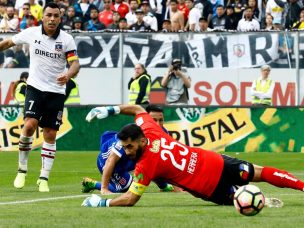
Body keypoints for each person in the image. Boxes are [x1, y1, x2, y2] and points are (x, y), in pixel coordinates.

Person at [82, 104, 304, 208]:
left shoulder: (144, 166)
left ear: (141, 141)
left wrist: (102, 204)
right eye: (125, 148)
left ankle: (275, 196)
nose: (127, 152)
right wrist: (111, 109)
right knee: (259, 174)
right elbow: (139, 110)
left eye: (129, 147)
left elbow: (130, 199)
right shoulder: (151, 130)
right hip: (212, 172)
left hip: (211, 179)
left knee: (254, 181)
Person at [0, 2, 80, 192]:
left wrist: (68, 75)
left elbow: (75, 64)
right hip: (35, 87)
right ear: (42, 17)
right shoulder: (32, 33)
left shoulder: (67, 39)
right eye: (49, 15)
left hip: (56, 91)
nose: (52, 19)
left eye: (56, 16)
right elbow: (8, 43)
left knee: (50, 134)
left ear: (60, 19)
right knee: (29, 125)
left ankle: (43, 178)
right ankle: (22, 170)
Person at [81, 105, 175, 194]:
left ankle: (164, 187)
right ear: (147, 119)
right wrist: (104, 189)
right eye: (154, 120)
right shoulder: (132, 134)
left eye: (161, 120)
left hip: (128, 161)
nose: (158, 124)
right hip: (107, 161)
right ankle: (94, 184)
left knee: (154, 160)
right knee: (127, 188)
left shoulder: (163, 133)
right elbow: (111, 159)